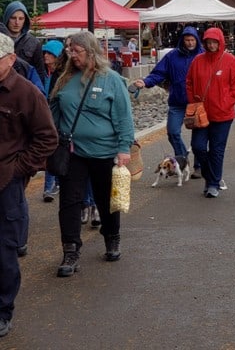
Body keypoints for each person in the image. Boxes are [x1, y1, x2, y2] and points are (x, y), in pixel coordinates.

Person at [49, 31, 135, 277]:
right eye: (69, 51)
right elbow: (52, 114)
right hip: (72, 152)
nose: (72, 55)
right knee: (69, 201)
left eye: (77, 51)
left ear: (91, 51)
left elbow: (123, 116)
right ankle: (71, 249)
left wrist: (124, 147)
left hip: (104, 152)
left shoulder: (111, 80)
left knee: (106, 200)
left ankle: (112, 236)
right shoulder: (64, 79)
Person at [0, 32, 58, 338]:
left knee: (5, 250)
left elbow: (48, 138)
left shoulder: (26, 93)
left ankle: (3, 310)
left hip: (6, 183)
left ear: (11, 60)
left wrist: (19, 170)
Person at [132, 26, 203, 174]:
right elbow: (159, 73)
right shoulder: (172, 56)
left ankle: (198, 166)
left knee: (198, 138)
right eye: (187, 40)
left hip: (196, 103)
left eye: (192, 40)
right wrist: (146, 81)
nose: (190, 43)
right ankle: (183, 159)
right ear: (182, 41)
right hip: (177, 101)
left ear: (196, 40)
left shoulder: (202, 55)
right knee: (172, 132)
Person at [186, 27, 235, 199]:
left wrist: (226, 103)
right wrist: (194, 101)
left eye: (214, 42)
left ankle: (213, 184)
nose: (211, 45)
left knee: (217, 150)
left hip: (223, 114)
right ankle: (211, 177)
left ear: (220, 42)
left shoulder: (230, 60)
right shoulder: (198, 60)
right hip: (201, 113)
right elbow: (189, 82)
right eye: (208, 42)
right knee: (198, 146)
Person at [41, 40, 65, 202]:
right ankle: (50, 186)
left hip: (57, 118)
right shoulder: (43, 72)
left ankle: (51, 186)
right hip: (45, 116)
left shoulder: (61, 76)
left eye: (49, 53)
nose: (45, 56)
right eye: (44, 52)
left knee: (54, 150)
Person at [1, 1, 45, 82]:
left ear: (25, 20)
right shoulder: (1, 39)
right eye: (13, 18)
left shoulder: (34, 42)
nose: (17, 22)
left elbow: (40, 72)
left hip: (24, 88)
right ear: (7, 18)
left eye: (21, 18)